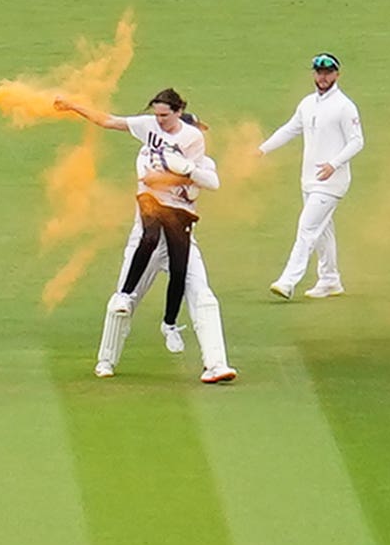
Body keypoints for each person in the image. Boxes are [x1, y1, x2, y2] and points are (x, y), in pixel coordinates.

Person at [83, 85, 236, 384]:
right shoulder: (148, 154)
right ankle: (106, 360)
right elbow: (150, 179)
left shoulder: (201, 162)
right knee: (125, 299)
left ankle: (216, 364)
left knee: (202, 295)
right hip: (149, 234)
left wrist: (187, 170)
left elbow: (208, 182)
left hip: (181, 233)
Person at [261, 52, 367, 299]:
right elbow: (290, 129)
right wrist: (263, 149)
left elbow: (357, 141)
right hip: (309, 179)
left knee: (307, 227)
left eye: (328, 72)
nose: (323, 77)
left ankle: (287, 281)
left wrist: (334, 163)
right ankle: (330, 280)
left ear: (337, 75)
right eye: (319, 72)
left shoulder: (344, 106)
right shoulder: (307, 104)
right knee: (323, 231)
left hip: (332, 181)